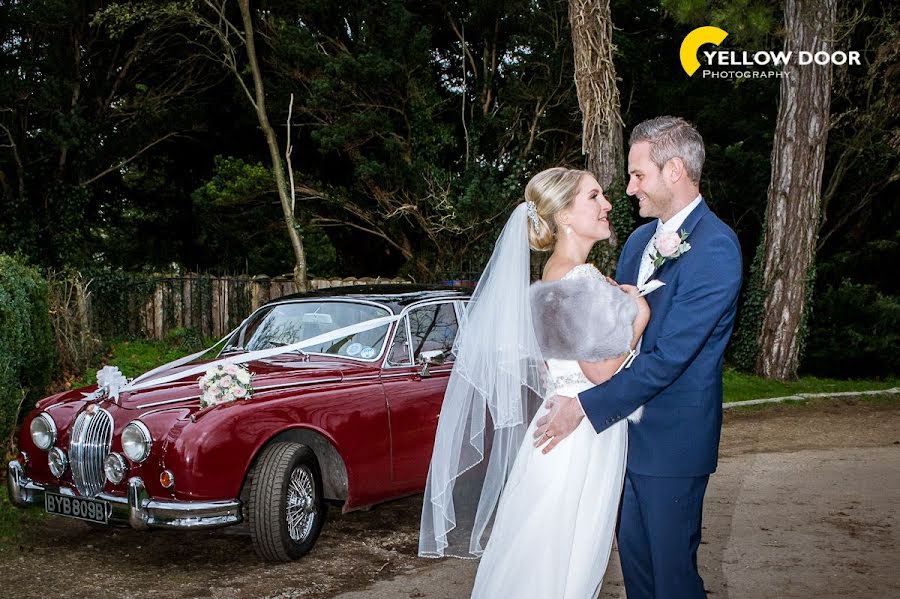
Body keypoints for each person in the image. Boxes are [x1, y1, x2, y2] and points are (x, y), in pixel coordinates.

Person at [535, 116, 743, 599]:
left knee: (672, 577)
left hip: (672, 442)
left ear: (674, 171)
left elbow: (671, 356)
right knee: (638, 573)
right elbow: (609, 335)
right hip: (618, 442)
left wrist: (586, 406)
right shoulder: (634, 243)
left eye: (638, 175)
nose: (629, 189)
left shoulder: (715, 248)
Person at [419, 166, 650, 599]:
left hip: (569, 421)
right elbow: (598, 371)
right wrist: (639, 319)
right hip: (579, 434)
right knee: (562, 556)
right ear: (564, 216)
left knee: (543, 548)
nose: (607, 205)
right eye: (594, 197)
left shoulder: (559, 272)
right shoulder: (576, 278)